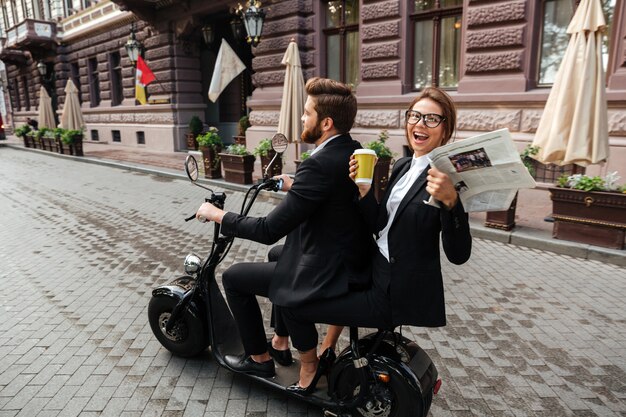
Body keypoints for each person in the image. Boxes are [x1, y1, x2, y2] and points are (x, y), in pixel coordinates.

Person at [279, 86, 473, 394]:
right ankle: (312, 345)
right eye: (415, 116)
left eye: (432, 119)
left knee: (291, 299)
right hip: (373, 267)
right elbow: (381, 224)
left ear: (445, 128)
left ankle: (310, 369)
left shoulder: (445, 179)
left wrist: (452, 203)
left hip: (392, 292)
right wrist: (364, 190)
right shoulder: (403, 165)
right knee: (285, 257)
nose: (420, 124)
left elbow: (459, 254)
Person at [195, 77, 373, 379]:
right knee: (279, 254)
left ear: (326, 122)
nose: (302, 118)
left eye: (307, 113)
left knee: (234, 277)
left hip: (328, 271)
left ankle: (259, 358)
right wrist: (296, 185)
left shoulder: (317, 165)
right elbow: (329, 195)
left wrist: (218, 214)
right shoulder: (351, 151)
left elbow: (267, 230)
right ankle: (280, 340)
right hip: (345, 258)